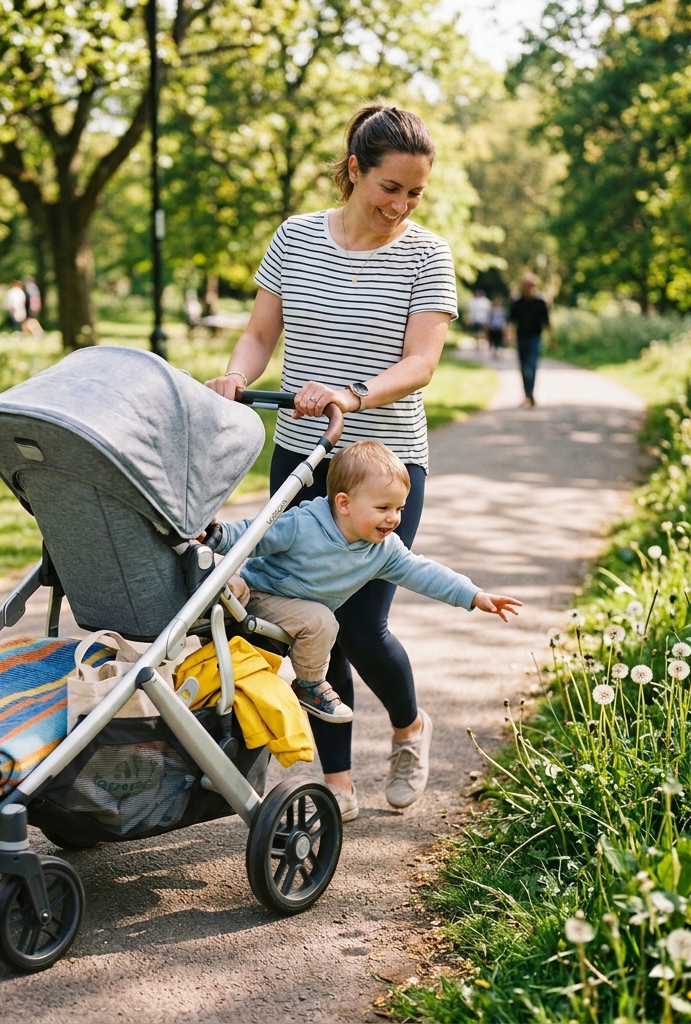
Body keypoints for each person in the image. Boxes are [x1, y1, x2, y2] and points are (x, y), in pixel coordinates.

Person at [206, 103, 459, 820]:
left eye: (415, 194)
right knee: (307, 618)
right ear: (355, 170)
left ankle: (409, 727)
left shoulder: (426, 254)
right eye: (390, 188)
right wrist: (233, 375)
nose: (401, 206)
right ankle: (338, 779)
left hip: (388, 461)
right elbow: (260, 333)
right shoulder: (295, 237)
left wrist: (352, 392)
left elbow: (422, 362)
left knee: (361, 621)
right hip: (304, 455)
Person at [213, 443, 521, 736]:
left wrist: (473, 594)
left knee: (321, 620)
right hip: (257, 593)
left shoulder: (382, 551)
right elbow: (254, 535)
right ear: (344, 503)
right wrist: (218, 535)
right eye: (383, 507)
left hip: (299, 617)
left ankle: (309, 685)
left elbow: (423, 572)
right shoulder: (303, 524)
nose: (394, 518)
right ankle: (201, 601)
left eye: (399, 508)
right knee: (228, 584)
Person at [509, 273, 551, 407]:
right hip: (521, 338)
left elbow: (547, 322)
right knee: (523, 367)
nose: (529, 287)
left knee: (531, 366)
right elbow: (511, 321)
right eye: (527, 285)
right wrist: (509, 335)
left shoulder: (540, 302)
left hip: (535, 338)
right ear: (523, 286)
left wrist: (552, 339)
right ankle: (527, 395)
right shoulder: (517, 302)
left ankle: (529, 395)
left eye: (532, 285)